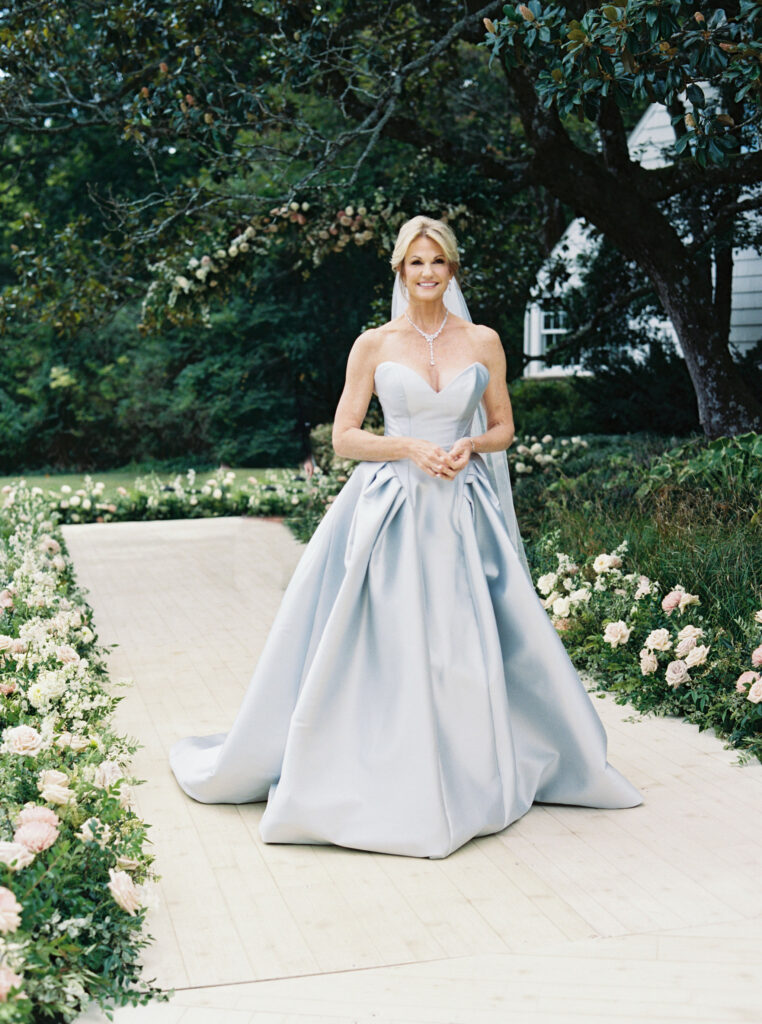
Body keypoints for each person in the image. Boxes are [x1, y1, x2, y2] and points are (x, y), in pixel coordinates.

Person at [169, 215, 643, 859]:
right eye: (415, 263)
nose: (427, 273)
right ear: (400, 269)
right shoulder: (374, 344)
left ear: (451, 270)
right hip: (392, 508)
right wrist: (409, 447)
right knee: (390, 639)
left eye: (438, 262)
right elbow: (344, 438)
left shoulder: (483, 341)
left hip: (462, 509)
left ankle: (472, 767)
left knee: (465, 642)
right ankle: (387, 769)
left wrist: (472, 443)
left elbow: (504, 425)